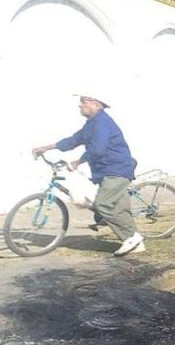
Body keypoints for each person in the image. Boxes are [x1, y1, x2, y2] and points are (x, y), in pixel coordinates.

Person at [32, 94, 143, 256]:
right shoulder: (92, 124)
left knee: (103, 204)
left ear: (96, 105)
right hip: (106, 170)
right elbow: (73, 140)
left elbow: (98, 149)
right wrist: (46, 148)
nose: (80, 106)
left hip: (116, 169)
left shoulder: (102, 123)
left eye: (83, 102)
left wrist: (78, 162)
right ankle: (136, 244)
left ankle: (131, 237)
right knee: (119, 207)